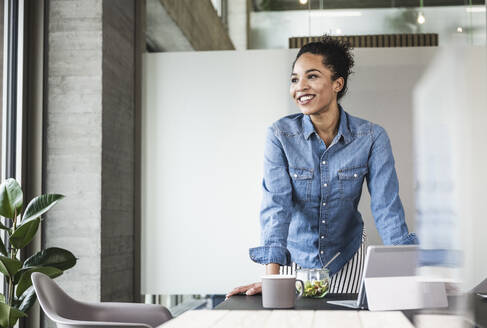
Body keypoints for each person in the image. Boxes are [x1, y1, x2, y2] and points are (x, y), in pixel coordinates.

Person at [226, 36, 418, 299]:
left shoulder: (371, 137)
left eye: (312, 77)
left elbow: (387, 209)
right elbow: (276, 206)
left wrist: (409, 276)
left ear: (337, 83)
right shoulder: (280, 135)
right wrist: (271, 279)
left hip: (346, 257)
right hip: (292, 258)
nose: (300, 87)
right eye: (294, 79)